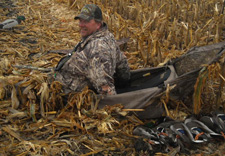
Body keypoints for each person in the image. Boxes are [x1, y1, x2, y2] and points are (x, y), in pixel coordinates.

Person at [54, 4, 130, 95]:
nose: (80, 25)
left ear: (98, 24)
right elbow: (122, 66)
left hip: (70, 95)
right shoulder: (107, 36)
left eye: (86, 21)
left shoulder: (97, 49)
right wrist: (124, 84)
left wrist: (117, 102)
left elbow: (105, 88)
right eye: (80, 21)